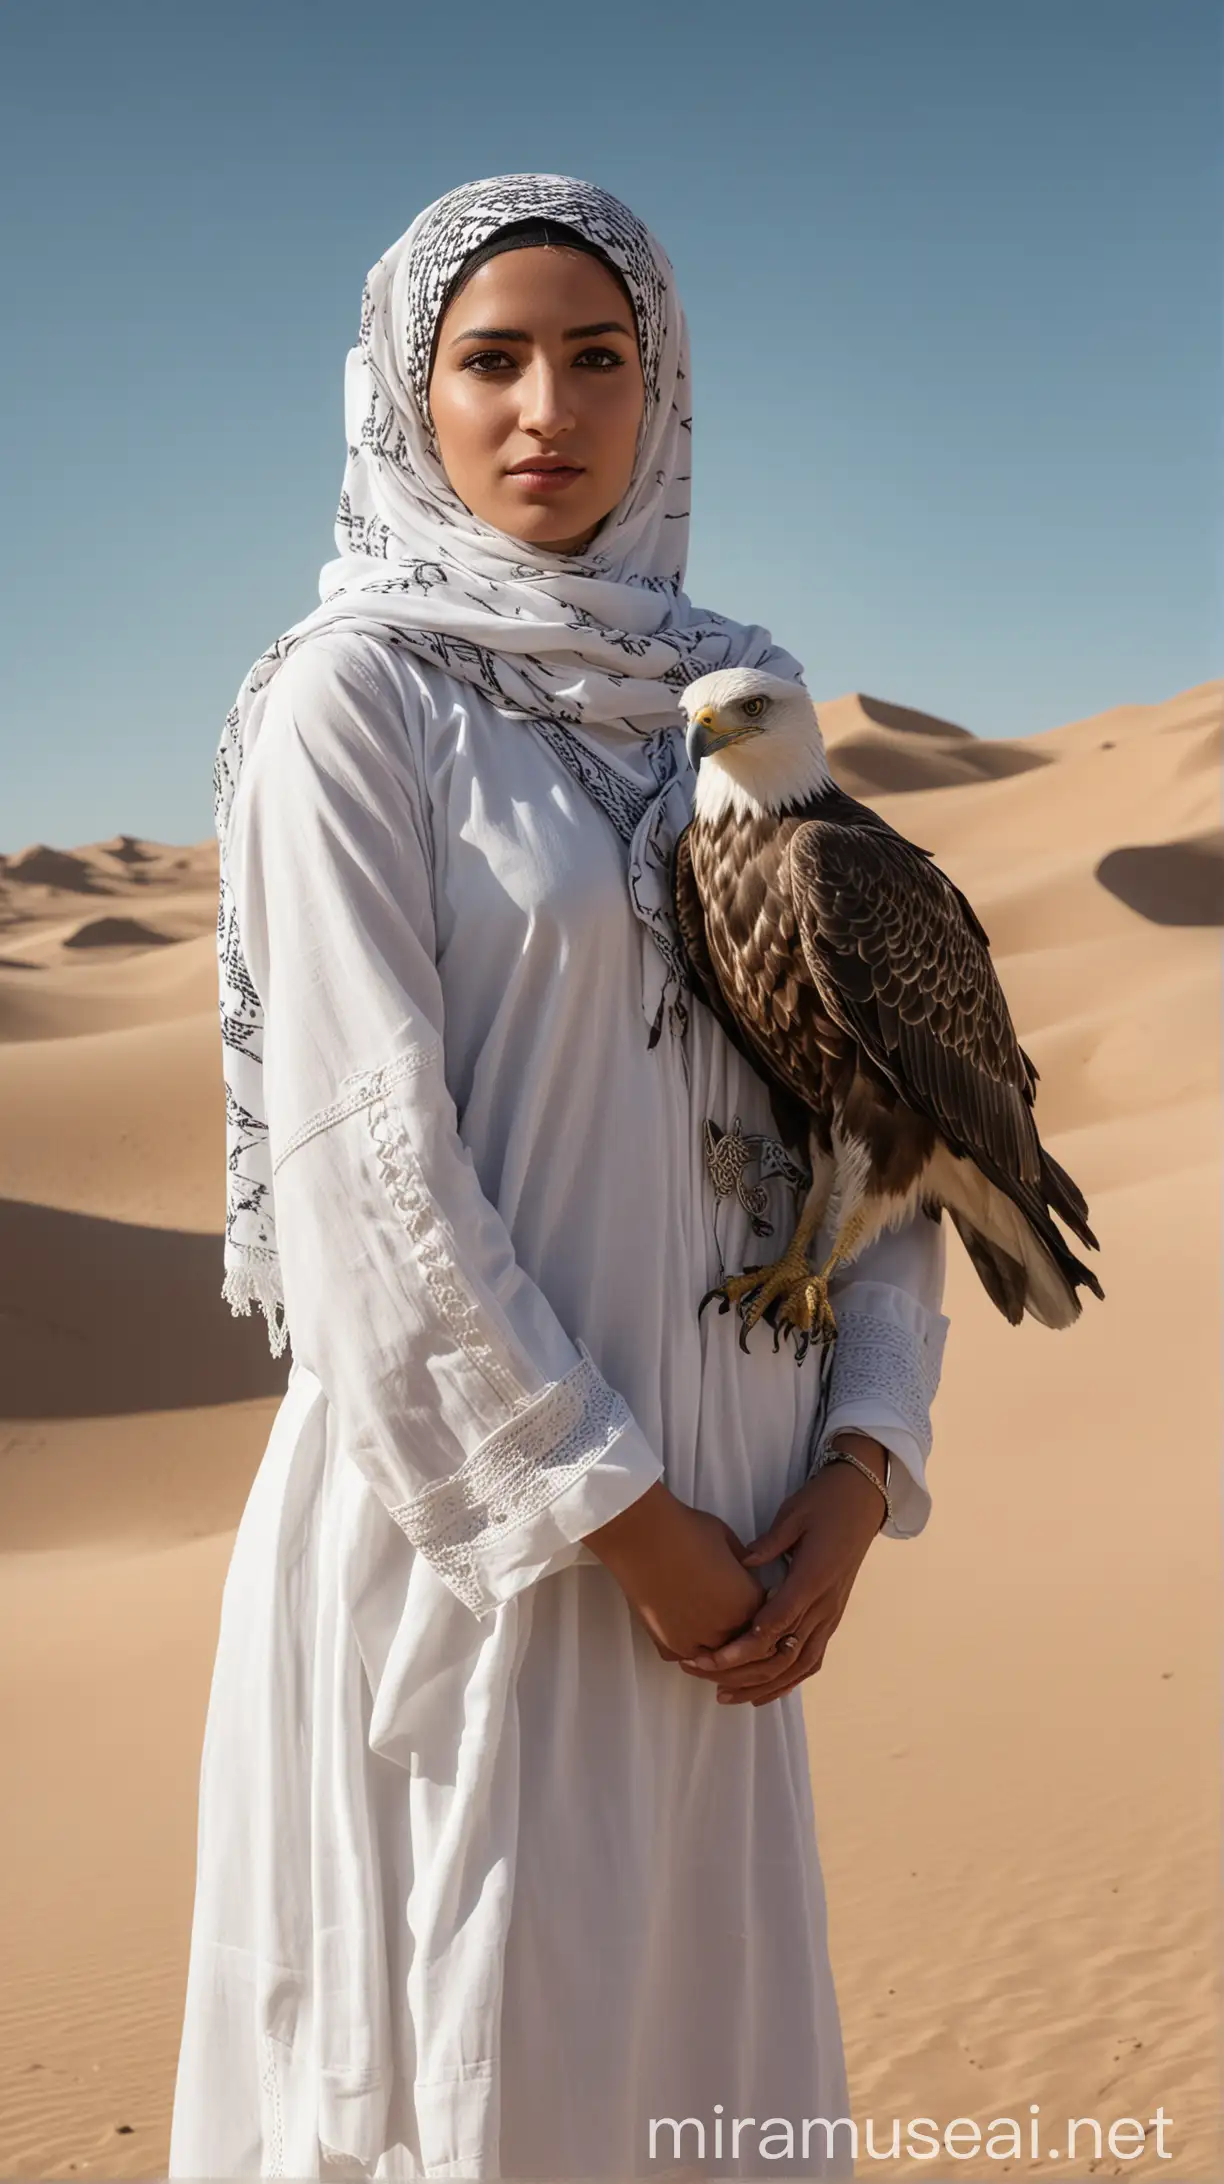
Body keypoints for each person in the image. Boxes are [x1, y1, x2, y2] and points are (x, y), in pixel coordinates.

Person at [168, 173, 950, 2183]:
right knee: (473, 2103)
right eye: (489, 360)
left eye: (600, 360)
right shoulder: (359, 705)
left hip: (744, 1594)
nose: (549, 410)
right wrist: (621, 1517)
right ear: (404, 399)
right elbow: (370, 1177)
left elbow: (879, 1116)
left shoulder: (744, 699)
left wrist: (860, 1466)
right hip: (488, 1565)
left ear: (663, 392)